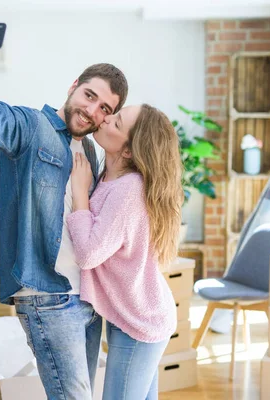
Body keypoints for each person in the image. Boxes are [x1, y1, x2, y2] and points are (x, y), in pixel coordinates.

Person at [0, 15, 129, 399]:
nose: (92, 111)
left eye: (104, 108)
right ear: (74, 87)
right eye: (89, 96)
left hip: (87, 297)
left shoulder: (93, 152)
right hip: (48, 296)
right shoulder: (31, 128)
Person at [68, 104, 183, 399]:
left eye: (116, 123)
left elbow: (89, 253)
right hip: (132, 316)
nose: (105, 118)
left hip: (141, 323)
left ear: (129, 151)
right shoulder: (111, 177)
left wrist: (80, 194)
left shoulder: (129, 189)